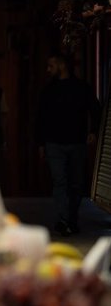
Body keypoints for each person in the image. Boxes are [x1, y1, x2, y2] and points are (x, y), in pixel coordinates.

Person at [36, 52, 101, 236]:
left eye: (51, 65)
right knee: (60, 181)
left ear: (62, 65)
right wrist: (41, 143)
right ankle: (65, 219)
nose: (49, 69)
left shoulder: (81, 88)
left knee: (76, 183)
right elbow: (41, 117)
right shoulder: (49, 90)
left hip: (76, 142)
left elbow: (95, 109)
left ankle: (70, 219)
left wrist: (93, 131)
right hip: (54, 143)